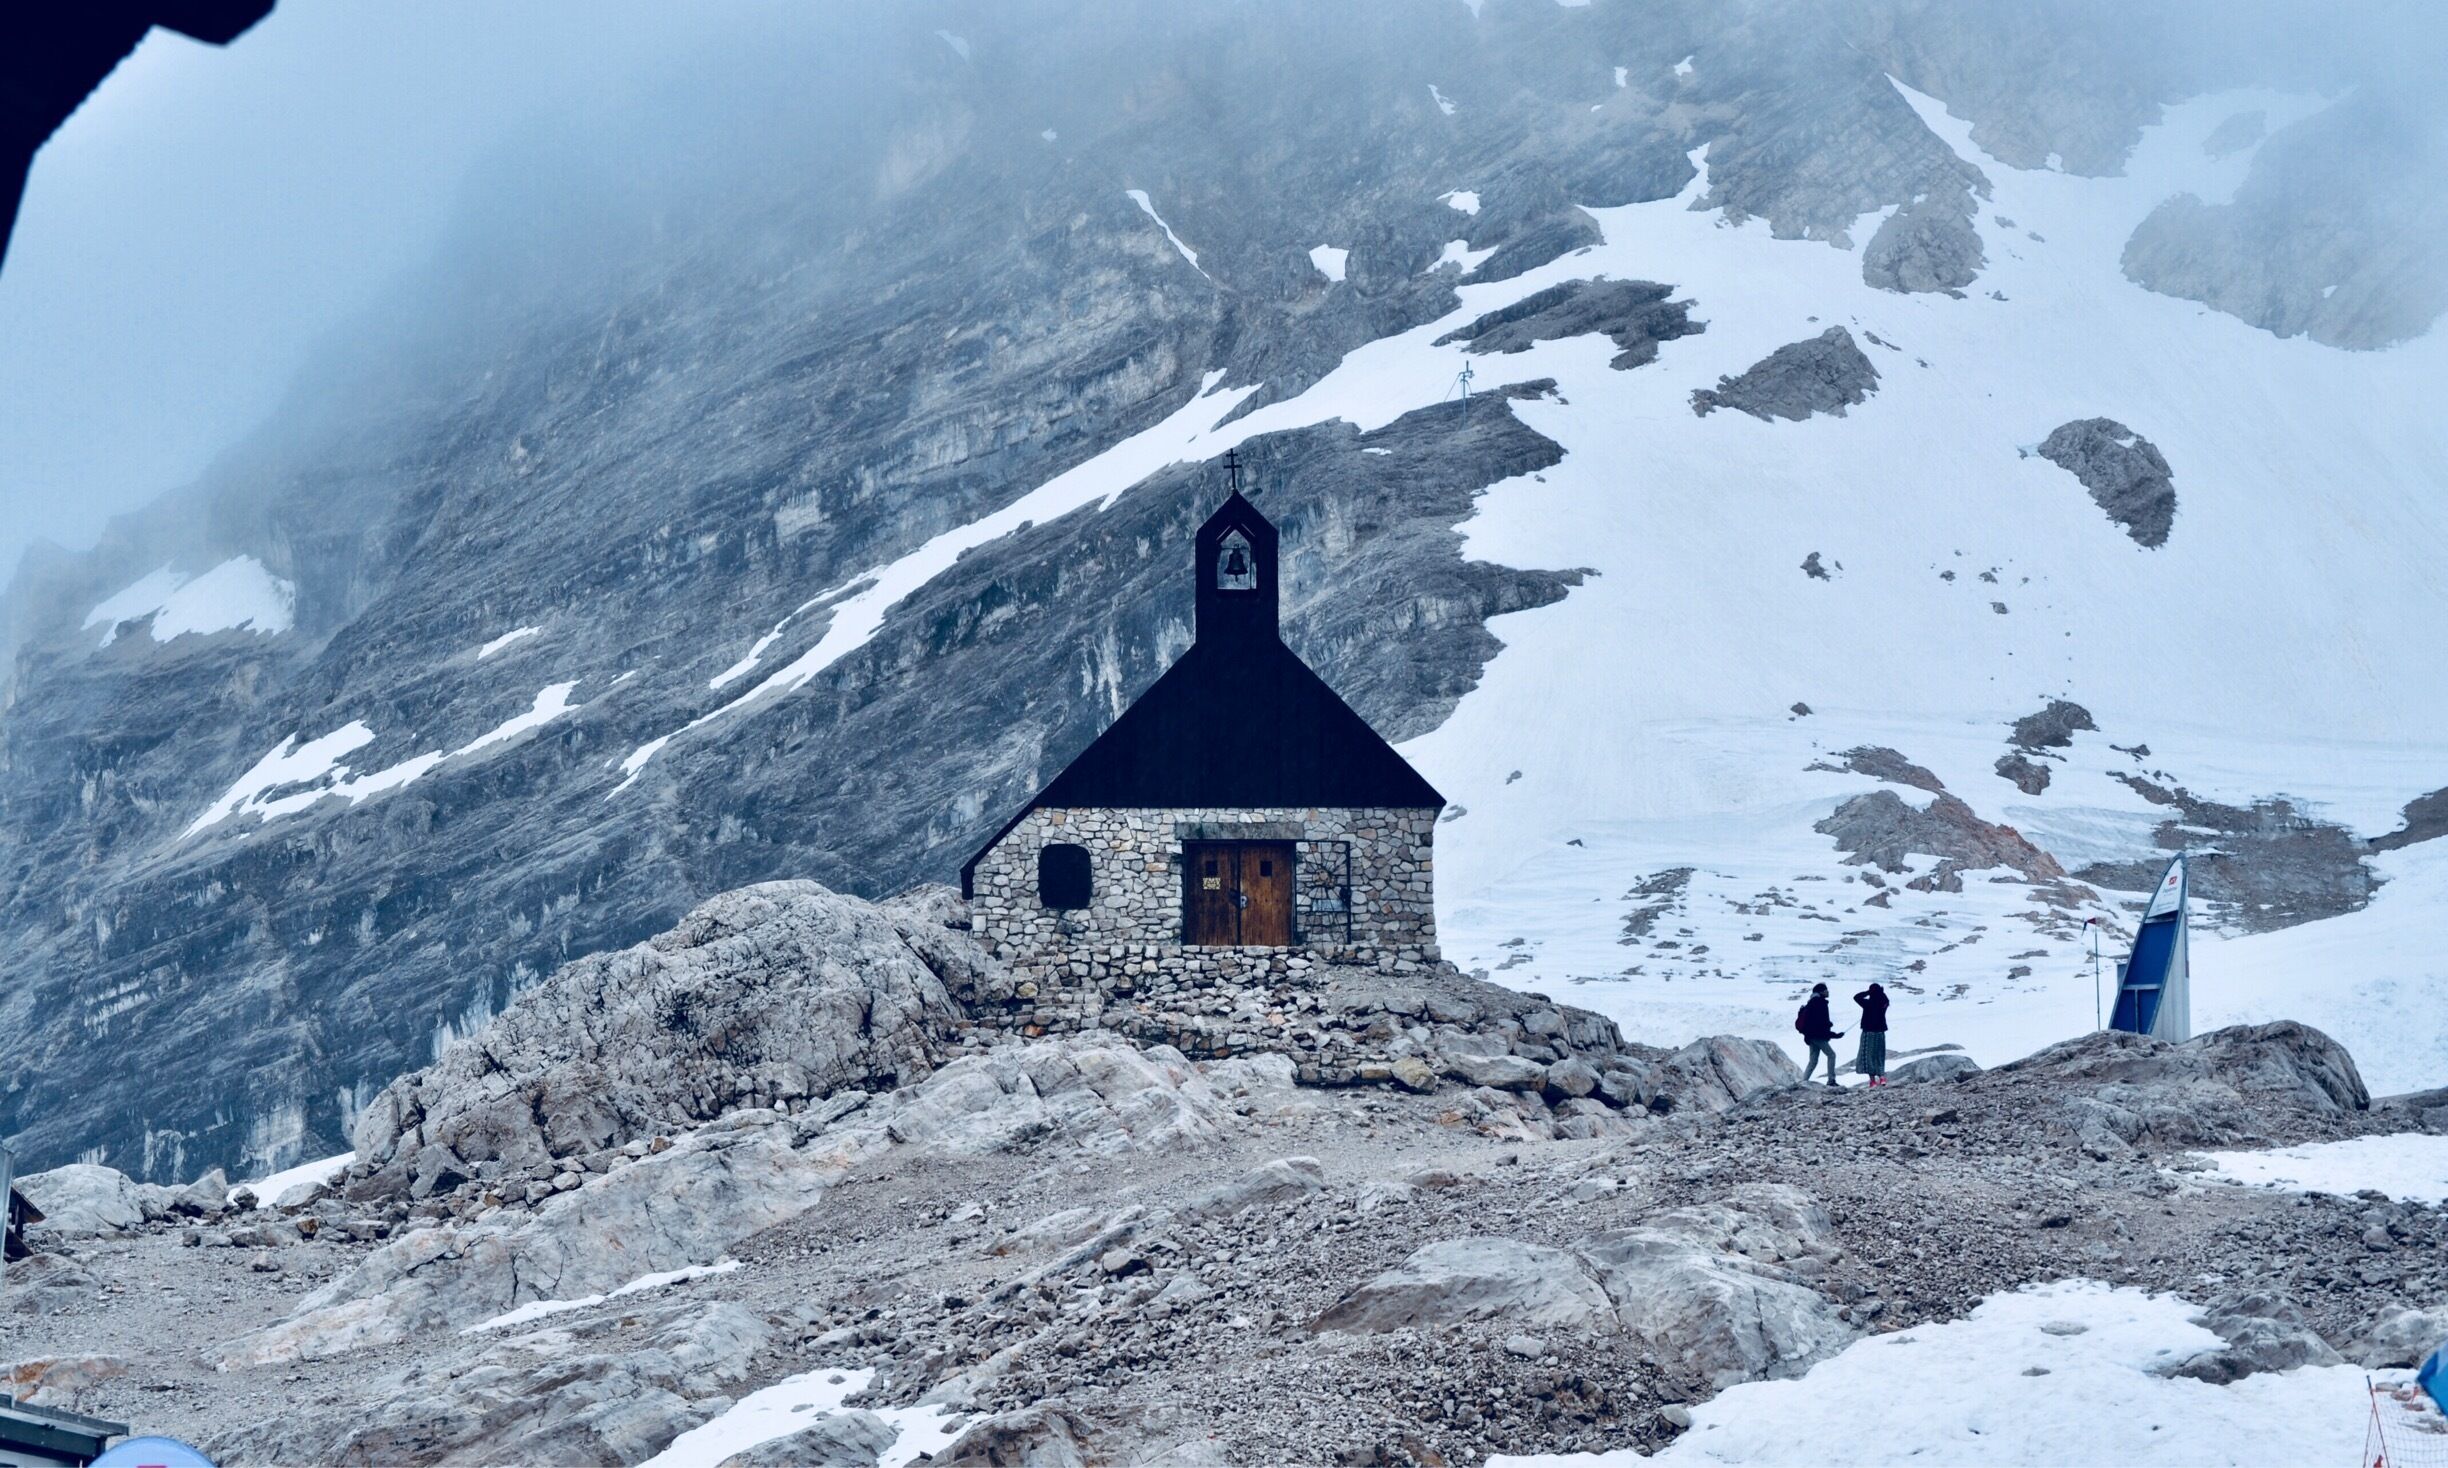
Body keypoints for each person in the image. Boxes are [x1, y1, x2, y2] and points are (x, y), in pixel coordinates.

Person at [1795, 983, 1844, 1087]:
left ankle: (1804, 1081)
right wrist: (1833, 1034)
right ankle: (1831, 1080)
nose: (1828, 991)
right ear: (1821, 991)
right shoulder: (1820, 1003)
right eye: (1826, 990)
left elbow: (1813, 1022)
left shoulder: (1811, 1003)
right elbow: (1821, 1023)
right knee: (1831, 1055)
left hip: (1810, 1036)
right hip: (1818, 1036)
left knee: (1813, 1060)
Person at [1854, 982, 1891, 1086]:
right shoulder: (1883, 1003)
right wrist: (1881, 992)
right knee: (1879, 1054)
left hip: (1868, 1031)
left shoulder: (1867, 1003)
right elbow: (1886, 1000)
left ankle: (1872, 1080)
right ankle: (1882, 1077)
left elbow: (1856, 997)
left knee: (1868, 1055)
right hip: (1880, 1031)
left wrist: (1868, 992)